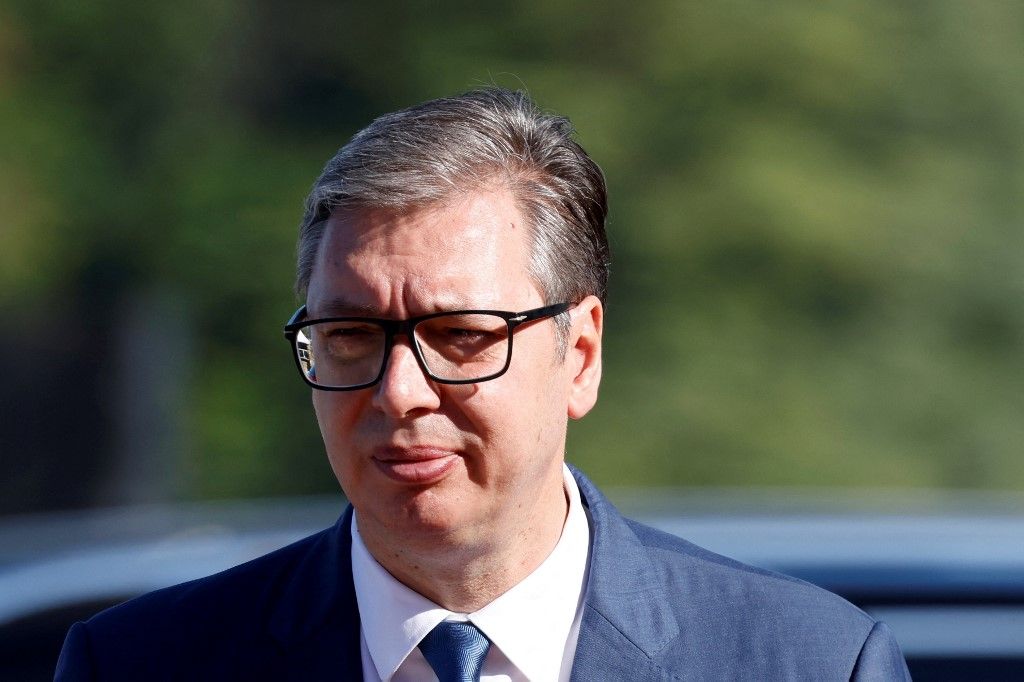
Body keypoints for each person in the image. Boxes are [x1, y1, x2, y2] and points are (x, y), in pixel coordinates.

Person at [55, 88, 910, 681]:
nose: (399, 393)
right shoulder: (142, 663)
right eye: (350, 336)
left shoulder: (805, 662)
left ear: (579, 355)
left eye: (460, 337)